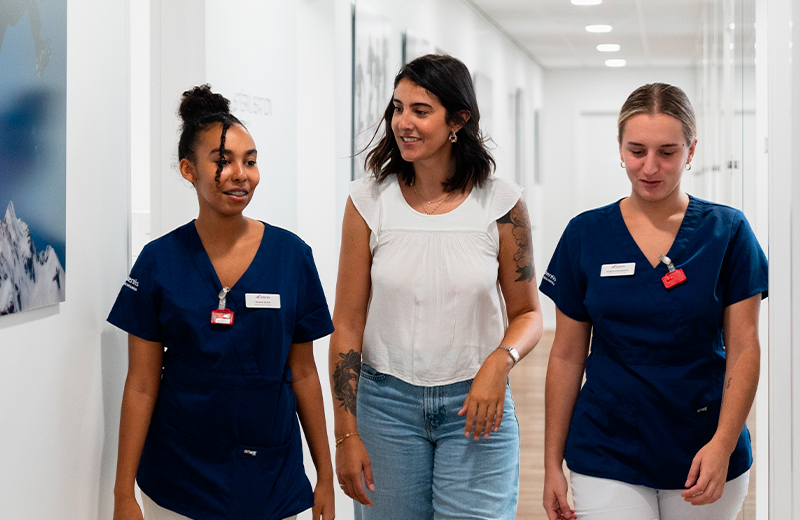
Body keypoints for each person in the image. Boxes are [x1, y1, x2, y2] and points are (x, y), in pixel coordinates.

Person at [328, 54, 543, 520]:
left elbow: (528, 314)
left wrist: (500, 362)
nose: (402, 122)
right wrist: (346, 434)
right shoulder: (367, 200)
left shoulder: (502, 202)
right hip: (385, 408)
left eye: (420, 111)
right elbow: (346, 323)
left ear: (458, 120)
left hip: (477, 405)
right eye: (397, 108)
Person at [540, 83, 768, 520]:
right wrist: (551, 463)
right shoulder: (585, 234)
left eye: (667, 152)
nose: (650, 167)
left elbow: (744, 348)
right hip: (607, 443)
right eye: (636, 151)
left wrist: (723, 444)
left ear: (691, 150)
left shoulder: (727, 232)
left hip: (703, 442)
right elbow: (566, 355)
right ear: (620, 148)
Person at [108, 85, 335, 520]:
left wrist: (324, 475)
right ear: (188, 169)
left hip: (269, 477)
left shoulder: (291, 256)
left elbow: (304, 373)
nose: (240, 174)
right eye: (223, 161)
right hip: (178, 477)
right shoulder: (159, 260)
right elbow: (141, 383)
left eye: (250, 161)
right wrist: (122, 493)